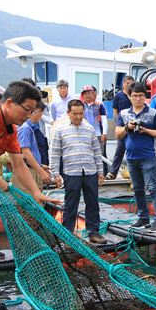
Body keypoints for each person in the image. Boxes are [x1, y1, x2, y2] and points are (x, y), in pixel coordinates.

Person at [0, 81, 60, 310]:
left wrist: (37, 193)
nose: (29, 115)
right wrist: (0, 182)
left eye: (32, 111)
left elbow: (18, 164)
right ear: (8, 102)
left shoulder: (10, 129)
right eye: (26, 109)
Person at [50, 99, 106, 245]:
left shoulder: (89, 129)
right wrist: (55, 174)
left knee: (93, 202)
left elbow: (96, 151)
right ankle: (67, 234)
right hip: (71, 172)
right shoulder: (60, 130)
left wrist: (100, 172)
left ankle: (93, 232)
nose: (78, 117)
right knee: (70, 204)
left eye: (81, 113)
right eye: (75, 114)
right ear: (68, 113)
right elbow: (55, 153)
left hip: (90, 171)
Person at [116, 82, 156, 232]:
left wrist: (146, 130)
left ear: (145, 97)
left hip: (148, 156)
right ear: (129, 96)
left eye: (140, 95)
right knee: (137, 189)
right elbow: (118, 134)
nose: (137, 99)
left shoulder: (153, 113)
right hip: (131, 158)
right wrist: (128, 127)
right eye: (134, 96)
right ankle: (143, 218)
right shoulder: (124, 113)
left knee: (153, 188)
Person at [15, 101, 53, 192]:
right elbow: (26, 153)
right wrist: (40, 171)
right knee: (30, 201)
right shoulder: (25, 128)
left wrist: (40, 165)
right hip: (27, 171)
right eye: (41, 113)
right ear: (36, 111)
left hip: (32, 168)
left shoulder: (30, 128)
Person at [107, 75, 134, 180]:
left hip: (133, 126)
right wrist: (117, 124)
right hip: (122, 127)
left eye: (131, 83)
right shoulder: (119, 96)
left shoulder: (134, 95)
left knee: (132, 149)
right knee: (120, 150)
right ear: (123, 84)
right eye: (127, 83)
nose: (129, 85)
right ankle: (112, 172)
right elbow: (115, 111)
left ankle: (133, 172)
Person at [80, 85, 108, 175]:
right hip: (83, 134)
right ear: (83, 95)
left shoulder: (99, 105)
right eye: (86, 93)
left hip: (98, 133)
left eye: (90, 93)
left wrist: (104, 133)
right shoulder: (79, 105)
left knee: (100, 154)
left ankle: (104, 173)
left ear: (93, 94)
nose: (88, 95)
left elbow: (104, 119)